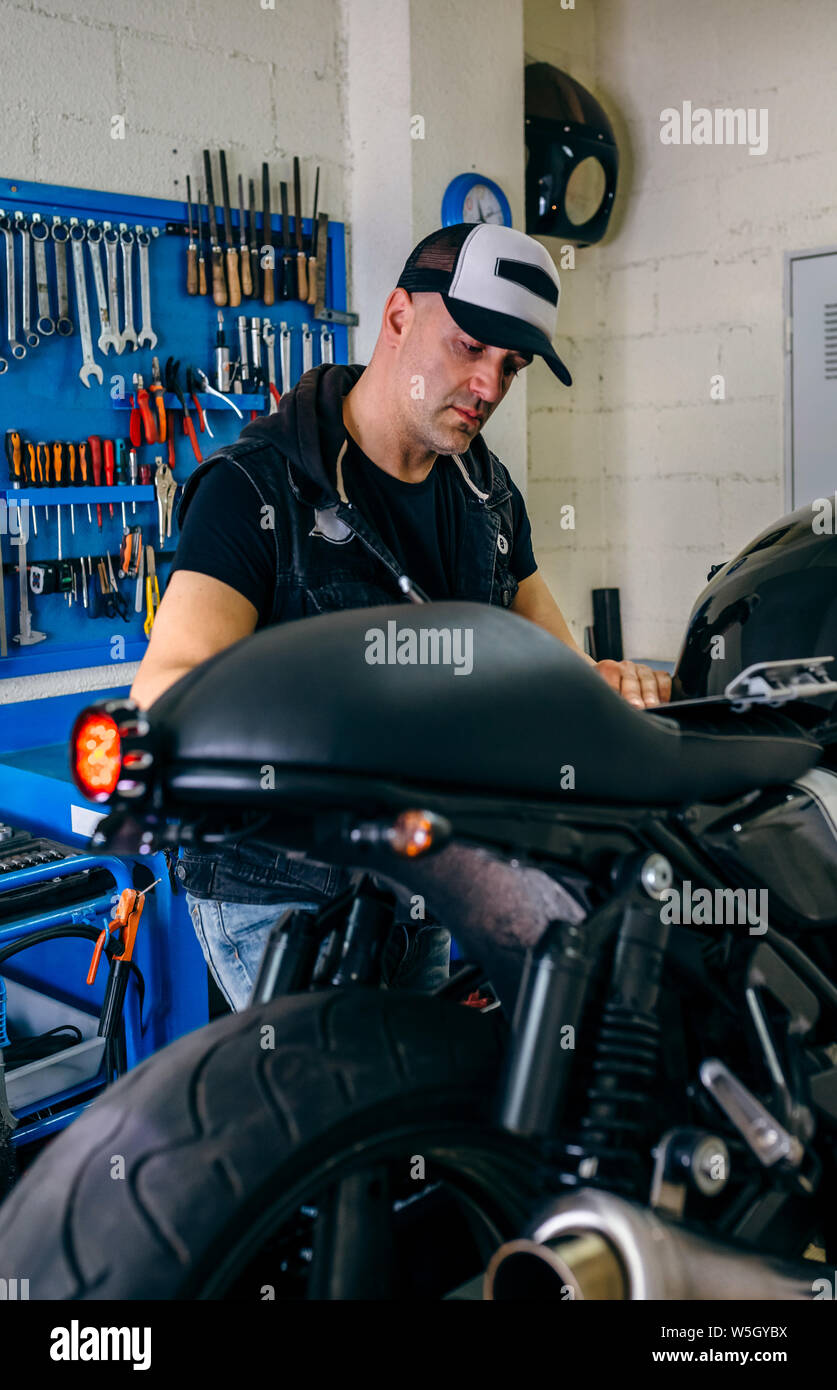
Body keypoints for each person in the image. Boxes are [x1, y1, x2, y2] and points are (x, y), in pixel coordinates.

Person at [130, 221, 671, 1011]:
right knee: (344, 1116)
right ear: (395, 319)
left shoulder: (485, 492)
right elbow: (164, 696)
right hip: (282, 895)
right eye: (468, 346)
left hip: (424, 873)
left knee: (429, 1101)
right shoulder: (256, 491)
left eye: (509, 366)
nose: (488, 387)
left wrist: (606, 688)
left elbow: (552, 661)